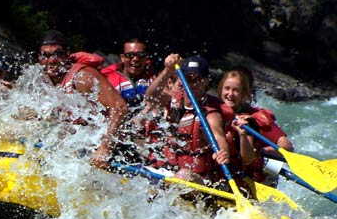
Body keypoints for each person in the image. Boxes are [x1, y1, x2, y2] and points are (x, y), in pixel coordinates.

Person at [38, 30, 129, 169]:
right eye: (46, 55)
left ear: (68, 54)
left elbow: (120, 107)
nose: (51, 60)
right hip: (71, 149)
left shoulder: (83, 77)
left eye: (58, 54)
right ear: (39, 57)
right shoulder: (41, 80)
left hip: (100, 149)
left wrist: (105, 147)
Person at [148, 55, 234, 185]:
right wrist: (167, 70)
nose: (193, 83)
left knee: (183, 175)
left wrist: (223, 152)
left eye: (198, 79)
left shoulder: (209, 114)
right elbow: (150, 97)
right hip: (167, 171)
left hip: (197, 179)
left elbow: (218, 138)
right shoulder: (174, 100)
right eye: (188, 78)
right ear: (182, 80)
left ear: (206, 81)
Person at [219, 66, 294, 186]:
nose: (230, 94)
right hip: (223, 172)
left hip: (250, 176)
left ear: (244, 94)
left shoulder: (256, 118)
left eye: (236, 90)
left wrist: (260, 150)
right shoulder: (211, 111)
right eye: (227, 89)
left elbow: (287, 147)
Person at [100, 38, 156, 112]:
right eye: (129, 55)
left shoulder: (152, 75)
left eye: (141, 55)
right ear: (122, 58)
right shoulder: (108, 79)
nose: (135, 59)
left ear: (146, 57)